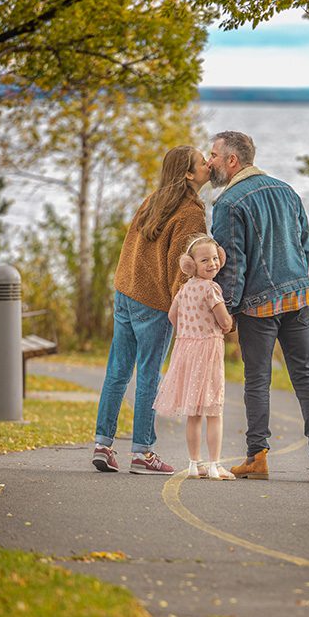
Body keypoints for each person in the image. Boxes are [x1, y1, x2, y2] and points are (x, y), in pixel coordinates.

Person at [209, 130, 309, 483]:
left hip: (258, 306)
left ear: (233, 160)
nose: (210, 161)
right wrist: (296, 279)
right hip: (298, 296)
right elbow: (304, 244)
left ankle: (257, 456)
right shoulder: (287, 191)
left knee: (257, 381)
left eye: (214, 155)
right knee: (305, 374)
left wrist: (227, 311)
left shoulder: (229, 203)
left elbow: (233, 264)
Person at [92, 146, 210, 475]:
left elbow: (131, 248)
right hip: (154, 302)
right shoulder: (190, 213)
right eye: (202, 163)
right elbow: (181, 268)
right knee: (148, 375)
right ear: (188, 173)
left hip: (126, 293)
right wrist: (184, 310)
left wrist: (125, 284)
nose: (207, 167)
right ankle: (143, 452)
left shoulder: (153, 200)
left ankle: (103, 444)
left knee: (117, 371)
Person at [153, 234, 235, 480]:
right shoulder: (211, 288)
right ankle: (214, 465)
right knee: (213, 410)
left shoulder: (184, 289)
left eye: (214, 258)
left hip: (186, 351)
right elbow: (224, 320)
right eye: (204, 260)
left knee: (194, 412)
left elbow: (171, 316)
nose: (212, 264)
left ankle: (193, 464)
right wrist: (229, 324)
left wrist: (187, 330)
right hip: (208, 350)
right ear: (190, 265)